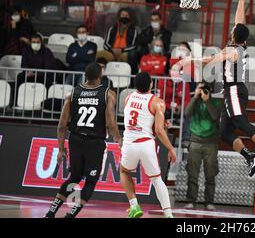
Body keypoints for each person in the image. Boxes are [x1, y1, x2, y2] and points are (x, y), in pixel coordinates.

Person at [175, 0, 255, 178]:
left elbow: (210, 59)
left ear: (233, 35)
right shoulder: (241, 44)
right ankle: (250, 157)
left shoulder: (233, 50)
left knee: (240, 121)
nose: (232, 30)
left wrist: (190, 59)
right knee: (224, 132)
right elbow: (239, 23)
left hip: (234, 89)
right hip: (231, 91)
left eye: (233, 30)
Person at [44, 62, 122, 218]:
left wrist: (61, 149)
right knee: (91, 181)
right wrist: (119, 139)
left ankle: (50, 213)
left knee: (74, 177)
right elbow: (111, 123)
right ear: (101, 75)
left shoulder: (72, 94)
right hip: (94, 143)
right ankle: (71, 215)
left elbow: (61, 125)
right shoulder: (108, 94)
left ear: (85, 76)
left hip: (75, 140)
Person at [120, 72, 176, 218]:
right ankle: (168, 214)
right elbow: (158, 130)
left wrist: (161, 121)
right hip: (145, 144)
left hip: (129, 143)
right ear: (151, 84)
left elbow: (139, 116)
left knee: (125, 172)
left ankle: (134, 206)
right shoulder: (157, 102)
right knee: (157, 179)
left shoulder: (127, 98)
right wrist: (170, 148)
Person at [183, 82, 221, 211]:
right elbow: (187, 113)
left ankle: (208, 202)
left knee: (210, 175)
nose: (203, 92)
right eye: (201, 89)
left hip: (211, 143)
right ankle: (191, 201)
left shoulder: (216, 103)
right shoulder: (195, 101)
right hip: (195, 141)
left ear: (210, 91)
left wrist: (207, 102)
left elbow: (215, 116)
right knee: (192, 174)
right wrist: (195, 97)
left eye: (205, 90)